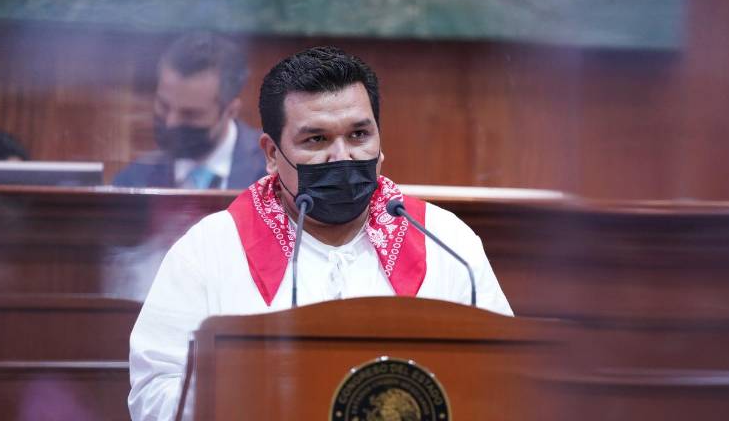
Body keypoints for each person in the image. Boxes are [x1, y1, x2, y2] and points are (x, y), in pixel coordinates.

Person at [128, 46, 513, 420]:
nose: (342, 156)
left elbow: (508, 378)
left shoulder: (447, 242)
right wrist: (250, 387)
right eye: (316, 140)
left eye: (359, 135)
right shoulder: (209, 250)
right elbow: (153, 394)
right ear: (271, 154)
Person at [113, 32, 265, 189]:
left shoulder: (274, 171)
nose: (171, 123)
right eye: (164, 106)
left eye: (190, 114)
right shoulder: (133, 180)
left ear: (231, 111)